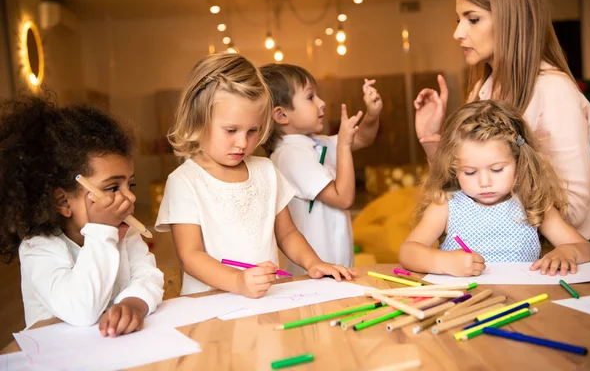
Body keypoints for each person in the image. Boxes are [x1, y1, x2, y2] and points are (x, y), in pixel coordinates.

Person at [414, 0, 590, 239]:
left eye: (473, 19)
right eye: (459, 19)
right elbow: (458, 189)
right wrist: (432, 139)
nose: (457, 33)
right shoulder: (483, 89)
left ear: (511, 20)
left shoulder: (553, 90)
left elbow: (575, 208)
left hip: (550, 261)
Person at [155, 53, 356, 297]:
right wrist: (238, 281)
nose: (242, 143)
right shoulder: (184, 182)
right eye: (231, 130)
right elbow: (190, 256)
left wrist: (313, 263)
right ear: (198, 119)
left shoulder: (266, 170)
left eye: (252, 131)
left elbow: (288, 233)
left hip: (263, 299)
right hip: (209, 307)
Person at [0, 96, 164, 336]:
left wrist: (133, 303)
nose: (130, 198)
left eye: (131, 184)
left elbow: (148, 274)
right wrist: (101, 232)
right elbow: (82, 311)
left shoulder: (124, 232)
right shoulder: (38, 247)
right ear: (63, 201)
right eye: (111, 188)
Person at [399, 100, 590, 277]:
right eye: (470, 172)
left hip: (522, 303)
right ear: (454, 169)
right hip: (463, 304)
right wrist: (443, 262)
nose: (484, 182)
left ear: (518, 162)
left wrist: (569, 252)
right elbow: (408, 252)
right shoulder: (446, 205)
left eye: (497, 169)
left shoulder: (531, 203)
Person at [261, 64, 382, 275]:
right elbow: (343, 198)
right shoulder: (290, 155)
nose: (322, 103)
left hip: (335, 265)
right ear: (281, 116)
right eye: (310, 98)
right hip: (314, 273)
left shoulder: (313, 143)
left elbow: (363, 138)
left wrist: (372, 115)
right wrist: (343, 145)